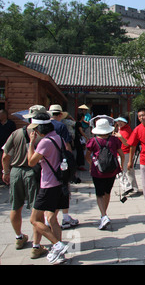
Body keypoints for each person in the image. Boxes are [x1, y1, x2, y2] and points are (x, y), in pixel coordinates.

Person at [1, 105, 47, 259]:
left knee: (15, 206)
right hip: (34, 172)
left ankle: (19, 238)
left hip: (16, 171)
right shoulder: (42, 135)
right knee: (37, 209)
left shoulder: (16, 133)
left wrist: (6, 172)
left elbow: (5, 155)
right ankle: (36, 246)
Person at [27, 112, 70, 264]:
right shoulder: (57, 137)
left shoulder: (44, 142)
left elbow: (31, 162)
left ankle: (58, 245)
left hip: (48, 185)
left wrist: (31, 143)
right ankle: (60, 255)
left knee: (34, 219)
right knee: (52, 219)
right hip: (59, 183)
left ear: (39, 128)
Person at [85, 118, 124, 230]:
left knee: (99, 194)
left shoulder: (93, 141)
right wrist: (120, 165)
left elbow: (87, 156)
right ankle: (104, 214)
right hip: (112, 170)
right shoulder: (114, 140)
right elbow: (121, 154)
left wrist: (92, 164)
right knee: (107, 192)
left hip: (97, 171)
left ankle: (103, 215)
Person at [48, 104, 78, 230]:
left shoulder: (43, 126)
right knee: (64, 189)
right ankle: (65, 218)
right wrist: (70, 160)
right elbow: (67, 145)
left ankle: (47, 219)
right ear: (60, 114)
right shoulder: (61, 126)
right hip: (60, 161)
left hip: (46, 161)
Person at [114, 115, 138, 195]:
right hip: (125, 153)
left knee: (120, 171)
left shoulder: (126, 131)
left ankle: (127, 187)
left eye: (121, 121)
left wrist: (120, 136)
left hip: (124, 153)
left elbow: (127, 144)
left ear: (126, 122)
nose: (119, 123)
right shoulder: (123, 129)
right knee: (129, 171)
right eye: (118, 121)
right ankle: (134, 188)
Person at [0, 109, 16, 175]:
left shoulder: (11, 124)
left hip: (8, 147)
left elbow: (13, 134)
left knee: (8, 163)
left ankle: (8, 178)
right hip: (0, 146)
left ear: (4, 115)